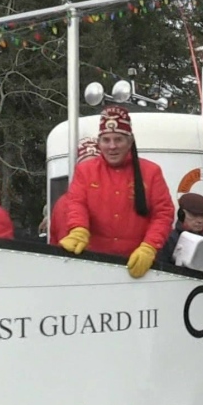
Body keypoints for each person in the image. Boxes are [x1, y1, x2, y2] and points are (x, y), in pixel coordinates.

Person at [58, 106, 175, 278]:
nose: (112, 146)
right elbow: (76, 203)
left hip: (137, 266)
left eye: (118, 139)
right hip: (94, 263)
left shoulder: (151, 172)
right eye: (106, 140)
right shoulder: (85, 170)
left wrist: (149, 247)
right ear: (99, 142)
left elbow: (163, 214)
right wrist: (78, 229)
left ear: (130, 141)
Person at [49, 137, 100, 245]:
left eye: (95, 166)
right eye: (85, 167)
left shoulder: (113, 197)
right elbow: (61, 239)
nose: (90, 171)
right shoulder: (65, 203)